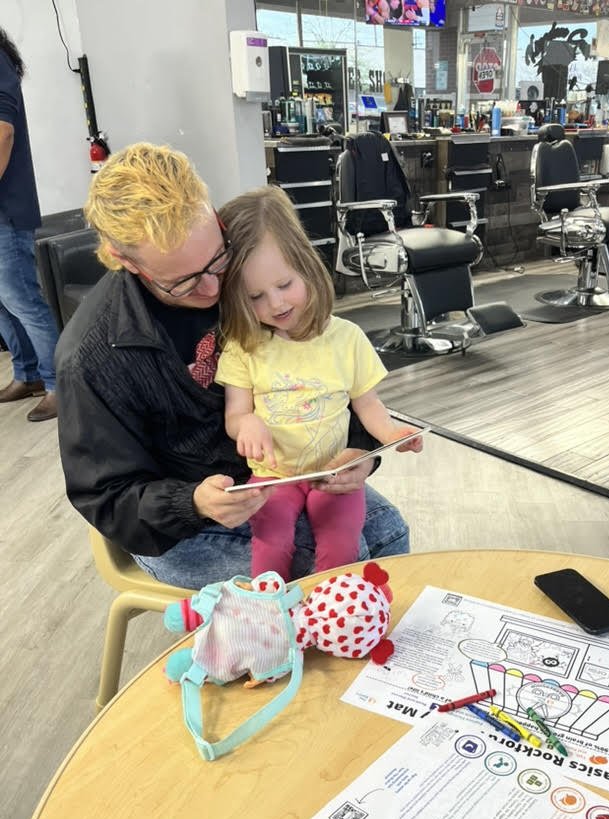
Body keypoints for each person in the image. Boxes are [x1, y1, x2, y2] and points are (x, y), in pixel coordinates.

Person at [55, 143, 410, 590]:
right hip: (182, 526)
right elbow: (107, 499)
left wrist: (359, 451)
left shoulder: (242, 274)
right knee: (346, 568)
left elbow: (323, 376)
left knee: (389, 533)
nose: (211, 290)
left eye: (216, 260)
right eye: (182, 281)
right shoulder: (93, 358)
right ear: (126, 261)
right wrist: (193, 502)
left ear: (212, 217)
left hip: (283, 474)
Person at [215, 187, 422, 580]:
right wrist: (248, 424)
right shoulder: (244, 347)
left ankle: (333, 612)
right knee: (270, 544)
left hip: (334, 474)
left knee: (341, 549)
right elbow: (235, 415)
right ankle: (268, 610)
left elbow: (367, 404)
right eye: (255, 296)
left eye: (284, 285)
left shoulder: (346, 338)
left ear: (308, 268)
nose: (276, 304)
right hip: (273, 477)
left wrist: (393, 435)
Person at [0, 27, 59, 420]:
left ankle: (60, 384)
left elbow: (3, 133)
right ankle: (28, 374)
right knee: (4, 303)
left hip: (6, 210)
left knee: (22, 299)